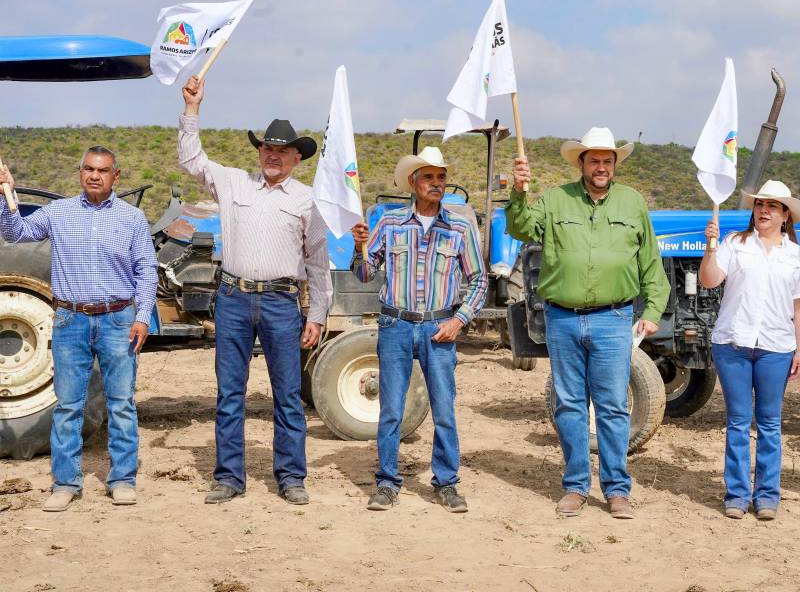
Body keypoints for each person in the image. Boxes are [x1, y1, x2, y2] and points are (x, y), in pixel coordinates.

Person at [179, 76, 331, 506]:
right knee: (230, 392)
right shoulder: (232, 183)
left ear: (296, 158)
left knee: (286, 394)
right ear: (259, 151)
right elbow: (191, 159)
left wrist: (317, 315)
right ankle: (229, 477)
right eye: (267, 148)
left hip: (282, 303)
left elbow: (318, 265)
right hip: (233, 298)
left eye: (282, 151)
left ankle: (291, 477)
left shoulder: (307, 201)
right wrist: (192, 109)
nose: (273, 156)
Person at [506, 127, 670, 519]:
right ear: (581, 163)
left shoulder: (632, 204)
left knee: (613, 407)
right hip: (562, 318)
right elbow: (520, 227)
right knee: (569, 405)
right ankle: (576, 486)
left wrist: (652, 311)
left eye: (607, 160)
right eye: (594, 160)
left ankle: (616, 490)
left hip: (614, 319)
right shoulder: (555, 200)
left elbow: (650, 261)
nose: (601, 166)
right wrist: (518, 192)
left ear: (615, 165)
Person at [0, 147, 156, 511]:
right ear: (80, 172)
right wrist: (7, 194)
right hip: (70, 321)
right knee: (68, 406)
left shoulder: (132, 219)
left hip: (118, 320)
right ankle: (66, 484)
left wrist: (143, 315)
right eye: (88, 168)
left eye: (102, 170)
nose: (94, 175)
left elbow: (147, 269)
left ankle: (122, 480)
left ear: (116, 175)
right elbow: (17, 233)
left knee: (121, 404)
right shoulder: (58, 212)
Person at [349, 147, 486, 513]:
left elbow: (478, 281)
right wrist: (358, 245)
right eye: (429, 177)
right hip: (395, 325)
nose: (436, 184)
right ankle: (387, 482)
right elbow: (364, 273)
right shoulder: (391, 224)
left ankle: (446, 483)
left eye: (441, 178)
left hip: (438, 328)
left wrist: (459, 320)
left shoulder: (459, 228)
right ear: (413, 182)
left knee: (444, 409)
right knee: (391, 408)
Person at [700, 180, 800, 520]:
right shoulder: (735, 244)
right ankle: (736, 494)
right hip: (733, 344)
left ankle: (766, 496)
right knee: (736, 421)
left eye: (773, 206)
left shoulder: (797, 255)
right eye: (760, 204)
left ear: (785, 216)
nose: (764, 210)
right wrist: (709, 248)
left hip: (775, 348)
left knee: (769, 422)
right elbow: (709, 280)